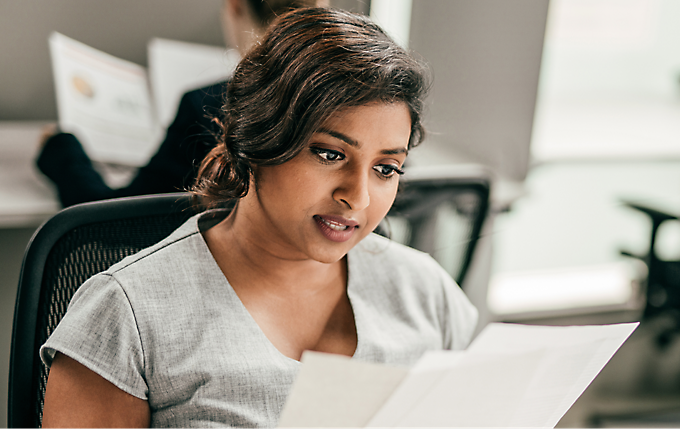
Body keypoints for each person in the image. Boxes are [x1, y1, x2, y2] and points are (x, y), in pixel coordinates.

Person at [39, 8, 478, 428]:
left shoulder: (425, 292)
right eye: (329, 154)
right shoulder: (127, 315)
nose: (358, 197)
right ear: (255, 142)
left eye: (386, 168)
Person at [36, 0, 321, 208]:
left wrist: (61, 150)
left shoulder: (208, 105)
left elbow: (114, 217)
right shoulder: (342, 101)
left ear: (234, 6)